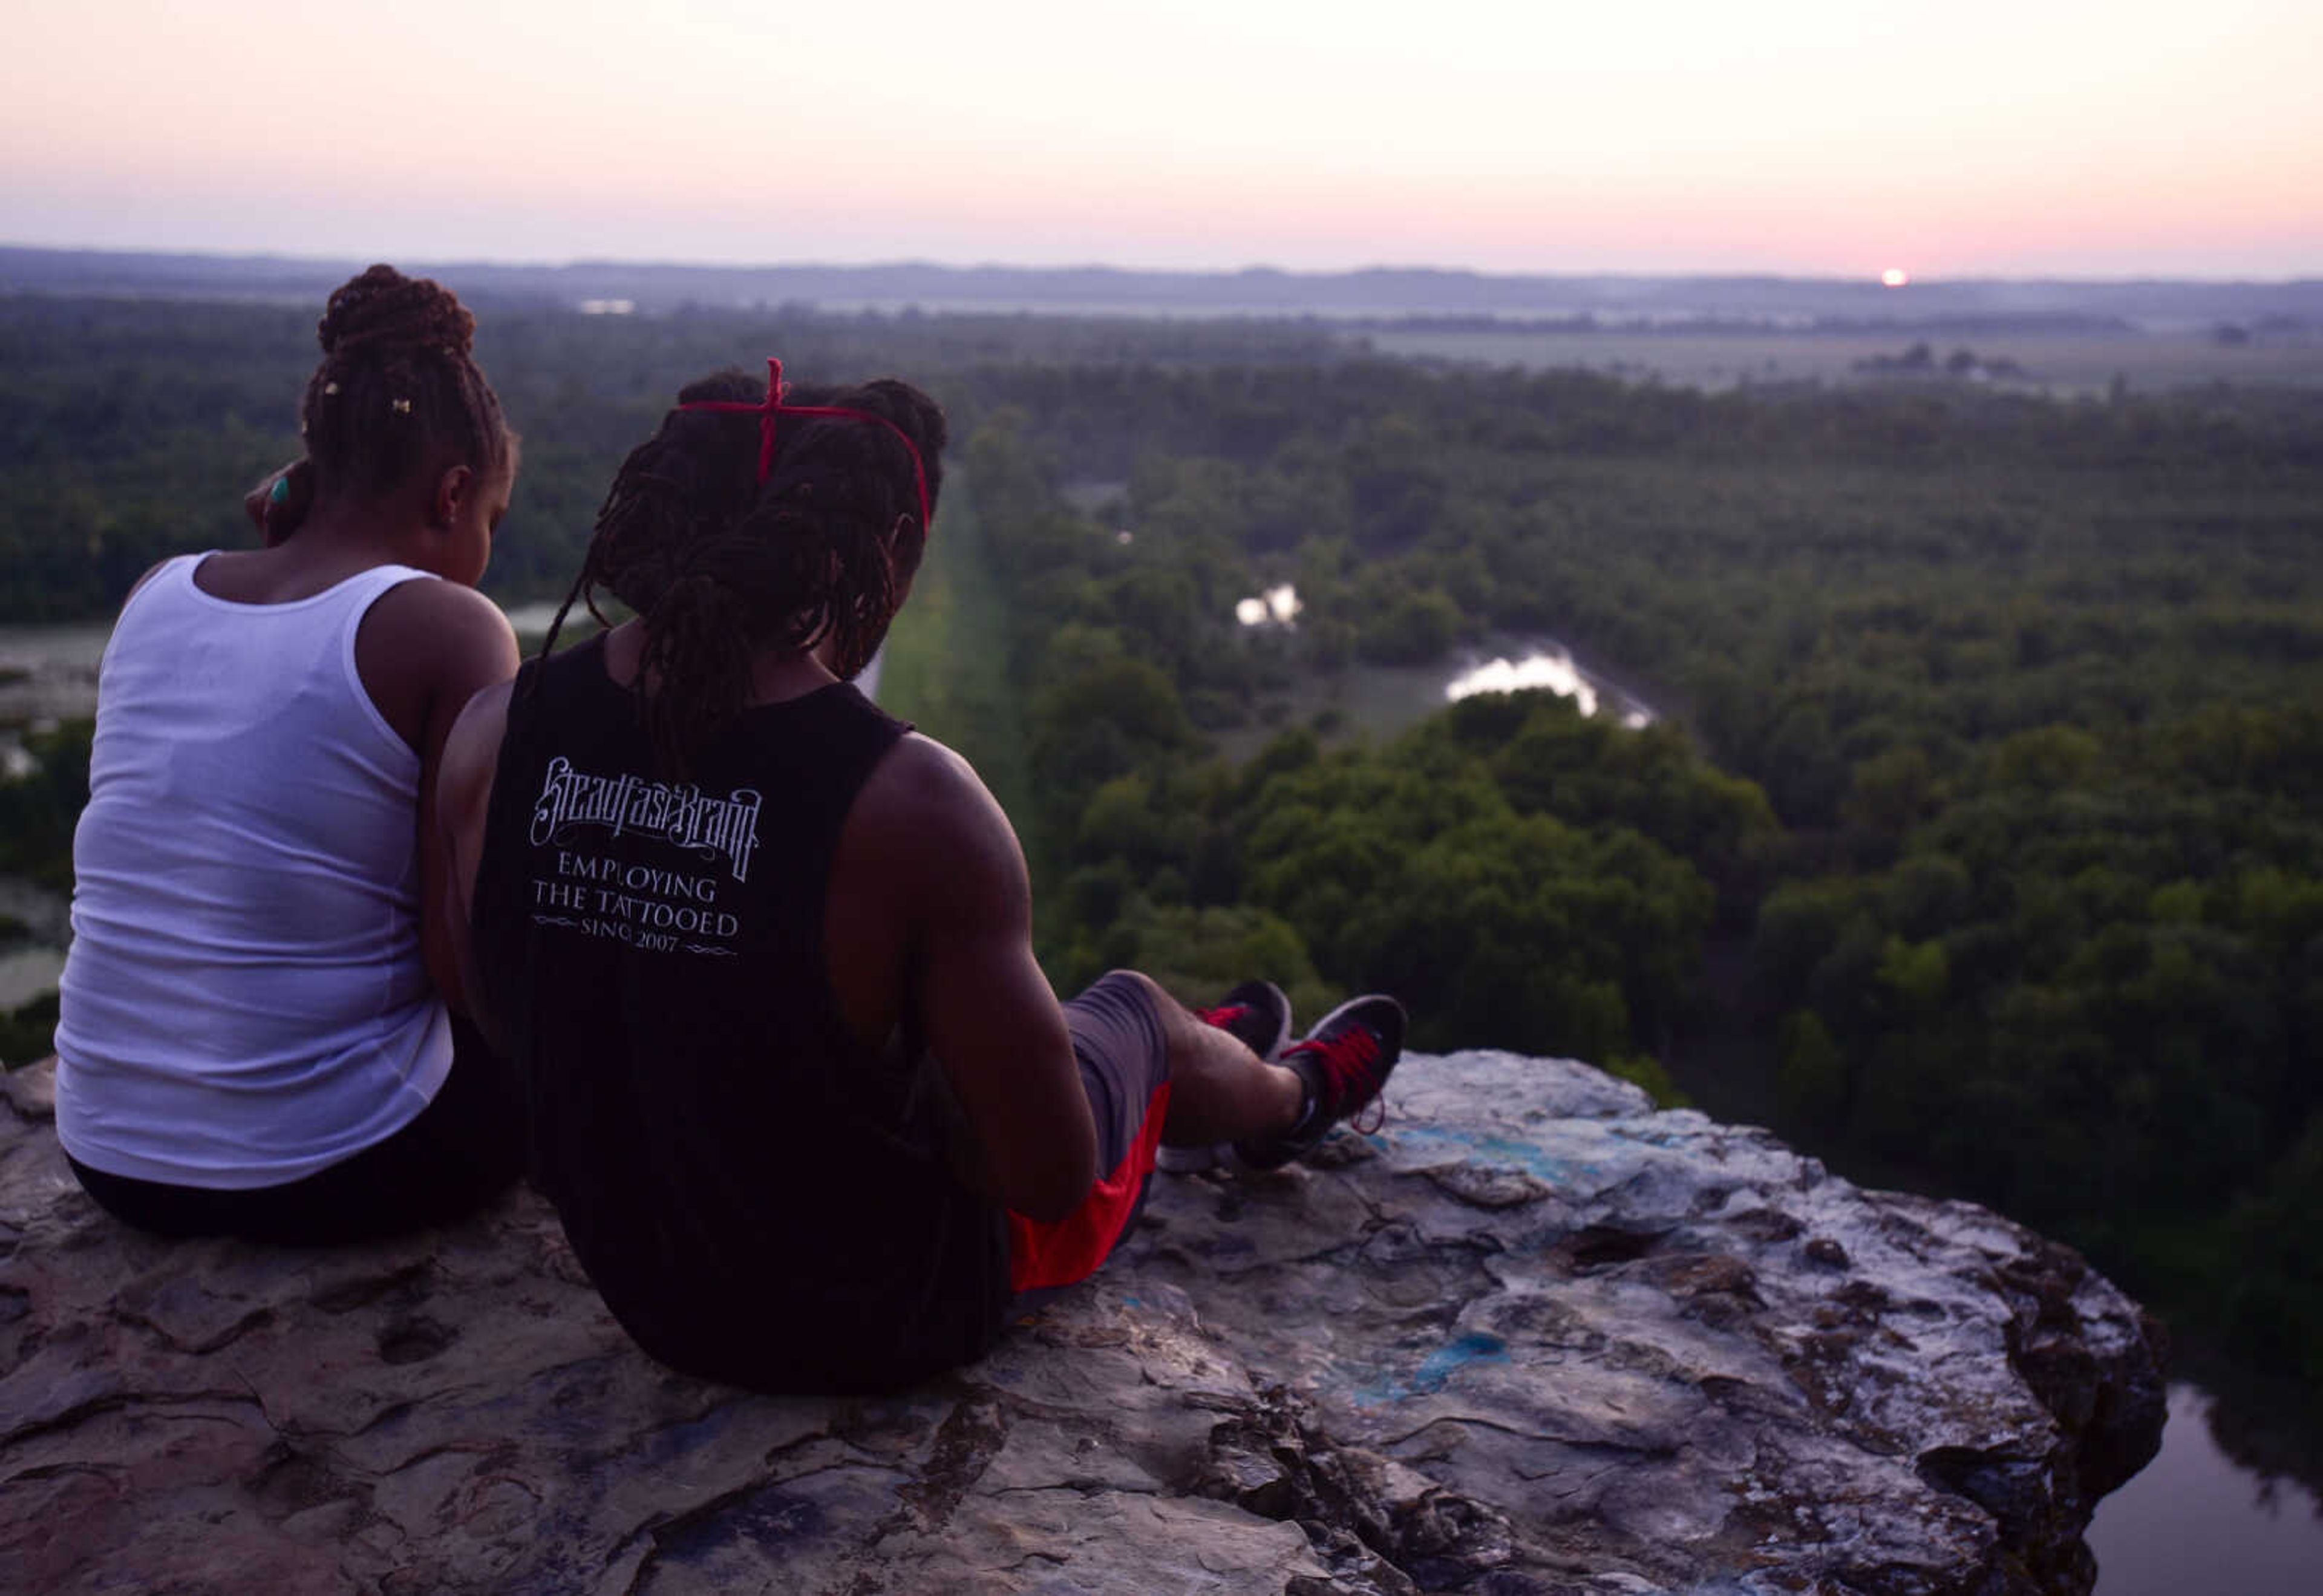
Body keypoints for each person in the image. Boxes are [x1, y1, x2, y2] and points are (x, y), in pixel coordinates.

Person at [438, 360, 1407, 1395]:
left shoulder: (498, 729)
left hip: (652, 1297)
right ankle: (1286, 1094)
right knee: (1130, 1010)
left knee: (1017, 1033)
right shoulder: (913, 802)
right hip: (887, 1312)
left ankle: (1196, 1067)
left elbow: (492, 1001)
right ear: (875, 550)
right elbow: (1046, 1177)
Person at [53, 265, 528, 1243]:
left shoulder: (156, 593)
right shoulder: (451, 630)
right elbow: (459, 960)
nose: (488, 546)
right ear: (452, 492)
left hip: (106, 1150)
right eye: (492, 517)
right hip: (333, 1163)